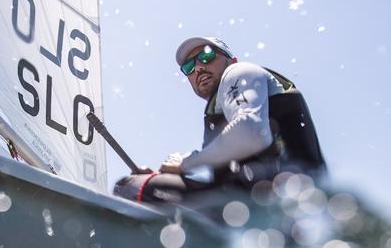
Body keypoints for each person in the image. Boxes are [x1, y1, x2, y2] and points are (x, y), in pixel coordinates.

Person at [113, 36, 326, 205]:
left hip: (282, 196)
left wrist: (186, 163)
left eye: (206, 56)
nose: (198, 68)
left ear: (231, 60)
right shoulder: (220, 111)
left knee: (130, 186)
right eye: (188, 67)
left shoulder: (238, 71)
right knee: (153, 187)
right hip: (258, 202)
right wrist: (162, 179)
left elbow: (252, 133)